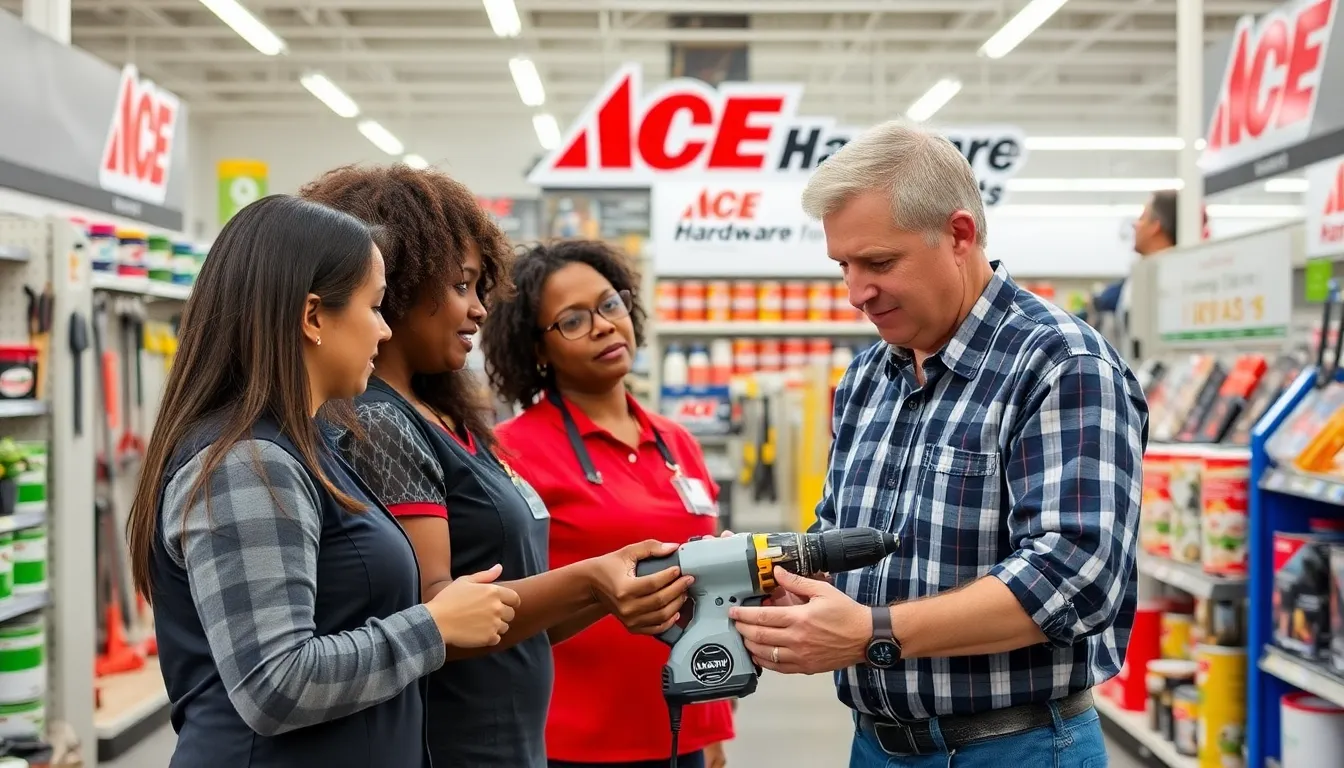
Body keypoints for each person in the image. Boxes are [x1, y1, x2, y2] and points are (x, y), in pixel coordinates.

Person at [728, 120, 1147, 767]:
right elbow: (836, 534)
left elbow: (1073, 575)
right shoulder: (869, 376)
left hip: (1017, 747)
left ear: (958, 235)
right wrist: (787, 592)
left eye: (878, 262)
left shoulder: (1061, 362)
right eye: (844, 265)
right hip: (877, 744)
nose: (855, 292)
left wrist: (870, 633)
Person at [299, 166, 694, 768]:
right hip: (458, 743)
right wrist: (591, 578)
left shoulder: (449, 420)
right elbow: (438, 612)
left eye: (481, 287)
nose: (479, 309)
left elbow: (522, 616)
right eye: (461, 286)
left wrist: (611, 589)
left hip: (511, 741)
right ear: (398, 288)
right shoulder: (381, 423)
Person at [123, 194, 521, 768]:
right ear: (313, 316)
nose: (385, 332)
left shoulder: (308, 447)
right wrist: (434, 625)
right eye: (376, 306)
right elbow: (276, 684)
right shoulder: (248, 465)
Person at [481, 239, 735, 768]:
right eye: (572, 320)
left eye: (610, 304)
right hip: (575, 738)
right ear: (536, 349)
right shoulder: (510, 451)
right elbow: (499, 604)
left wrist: (714, 721)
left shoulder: (676, 440)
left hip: (685, 721)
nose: (603, 325)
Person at [1088, 188, 1205, 359]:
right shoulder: (1140, 278)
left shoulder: (1175, 284)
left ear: (1155, 226)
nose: (1135, 224)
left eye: (1142, 218)